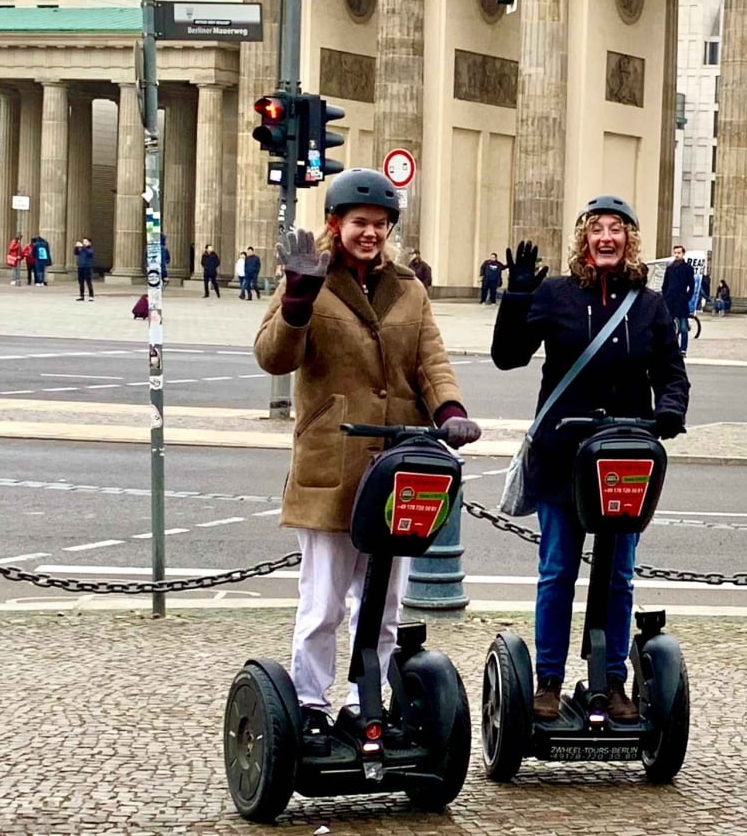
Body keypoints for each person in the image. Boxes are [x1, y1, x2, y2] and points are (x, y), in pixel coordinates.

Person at [255, 169, 482, 737]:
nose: (371, 233)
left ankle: (366, 702)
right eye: (360, 222)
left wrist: (449, 410)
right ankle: (310, 703)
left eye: (381, 224)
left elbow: (431, 361)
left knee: (383, 605)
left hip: (399, 464)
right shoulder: (310, 278)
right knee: (324, 604)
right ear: (336, 223)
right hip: (332, 462)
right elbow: (273, 357)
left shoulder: (408, 288)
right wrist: (298, 301)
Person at [491, 195, 690, 723]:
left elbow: (671, 372)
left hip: (624, 458)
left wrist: (669, 411)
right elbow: (507, 356)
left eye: (616, 229)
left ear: (629, 240)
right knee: (558, 569)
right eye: (597, 229)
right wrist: (516, 296)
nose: (606, 238)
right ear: (584, 238)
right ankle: (548, 680)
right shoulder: (556, 294)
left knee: (619, 575)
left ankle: (613, 679)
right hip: (563, 454)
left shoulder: (648, 304)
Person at [661, 244, 695, 354]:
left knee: (684, 327)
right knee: (669, 327)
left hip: (681, 302)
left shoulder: (688, 268)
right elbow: (665, 284)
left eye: (679, 253)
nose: (677, 255)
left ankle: (683, 349)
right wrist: (665, 296)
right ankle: (670, 348)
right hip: (670, 301)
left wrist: (687, 298)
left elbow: (692, 286)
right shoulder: (670, 268)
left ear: (683, 254)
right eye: (675, 253)